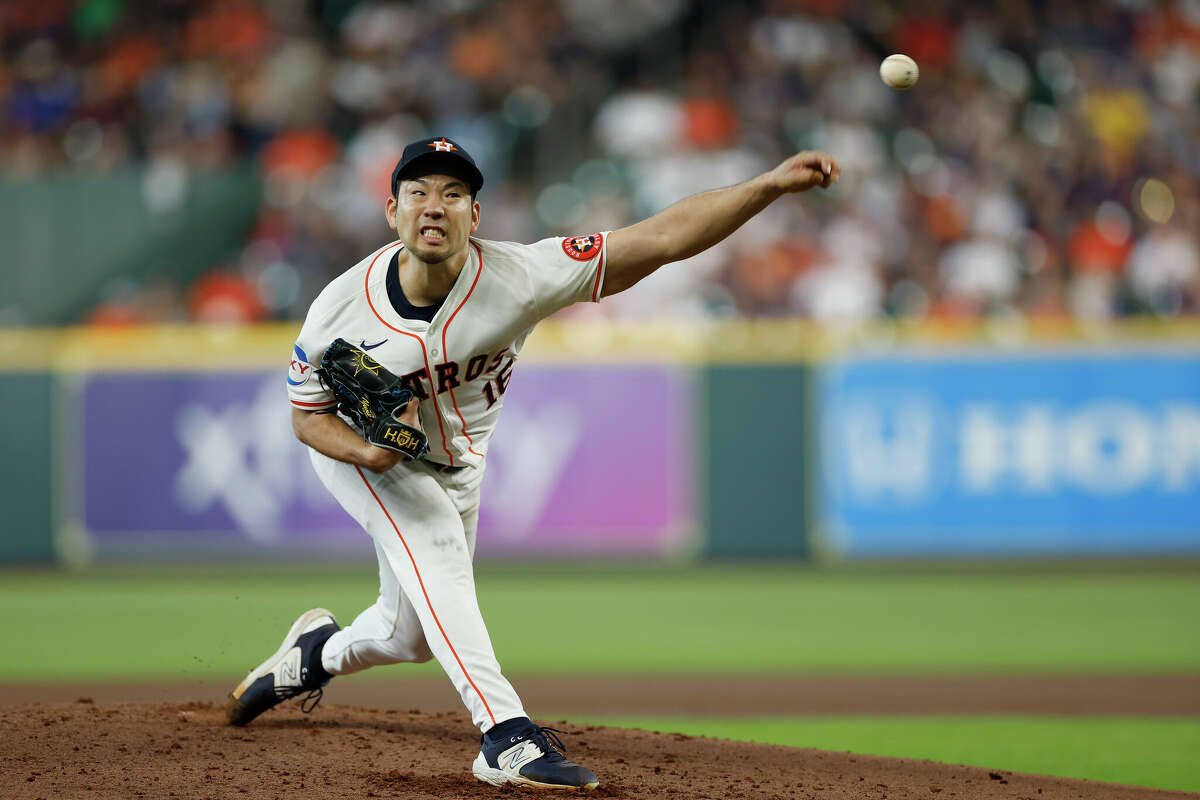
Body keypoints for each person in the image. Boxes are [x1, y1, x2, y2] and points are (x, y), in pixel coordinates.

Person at [226, 135, 840, 790]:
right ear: (392, 211)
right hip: (366, 456)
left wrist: (767, 186)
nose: (435, 206)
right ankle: (505, 736)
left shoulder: (519, 276)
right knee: (431, 539)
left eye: (454, 193)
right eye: (419, 192)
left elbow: (659, 241)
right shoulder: (337, 313)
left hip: (458, 465)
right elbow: (305, 416)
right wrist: (369, 452)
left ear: (475, 216)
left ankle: (315, 653)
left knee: (407, 636)